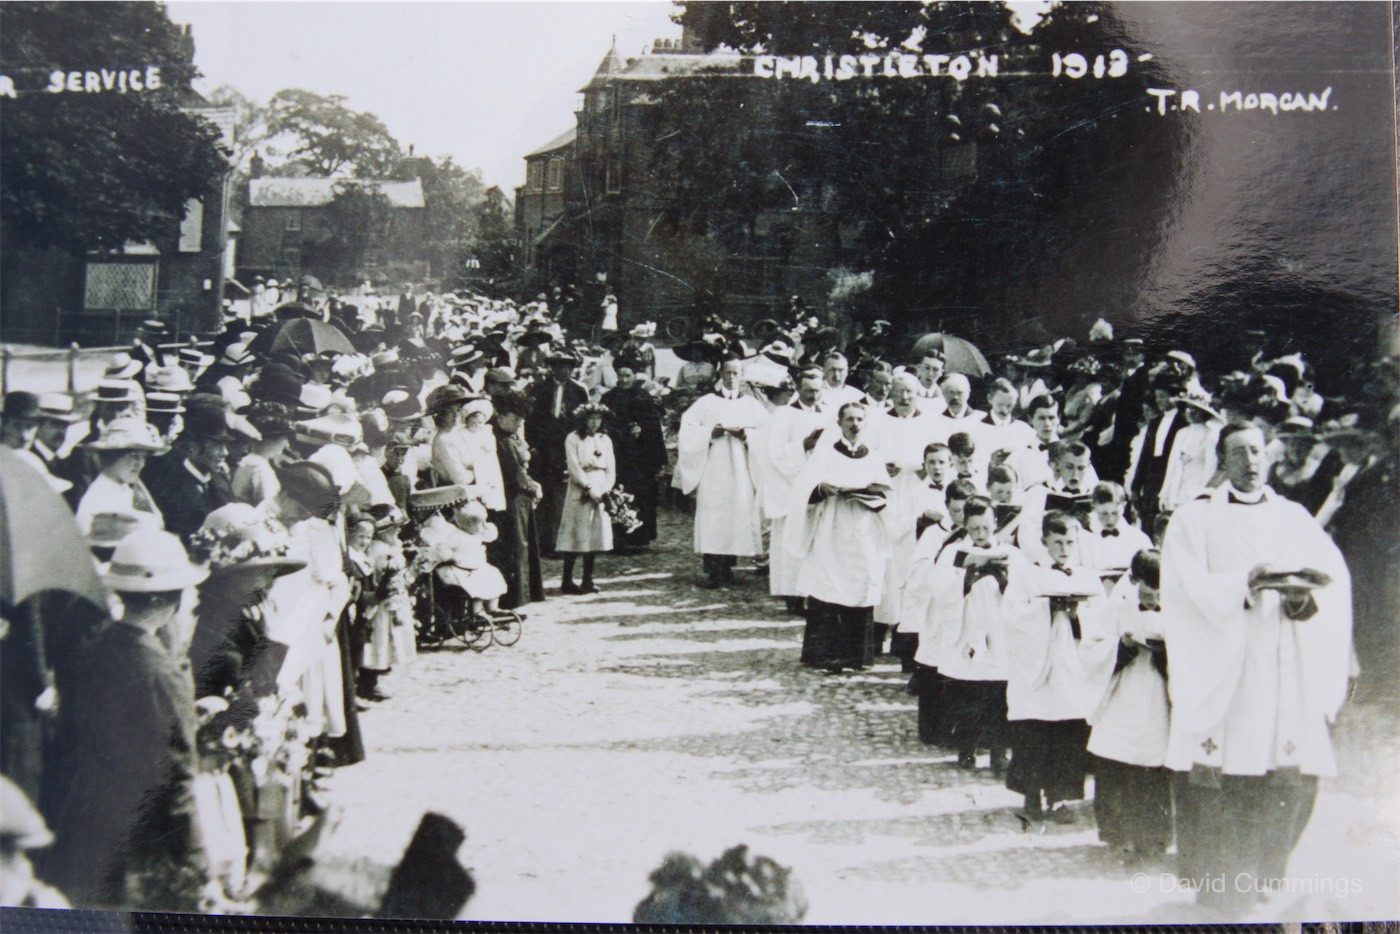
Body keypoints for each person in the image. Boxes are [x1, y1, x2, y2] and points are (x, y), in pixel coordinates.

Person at [1160, 423, 1352, 913]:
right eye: (1239, 452)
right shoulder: (1194, 518)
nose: (1251, 460)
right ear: (1222, 460)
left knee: (1284, 770)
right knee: (1217, 774)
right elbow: (1182, 589)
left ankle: (1266, 872)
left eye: (1257, 451)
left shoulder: (1293, 517)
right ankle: (1216, 880)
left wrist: (1300, 599)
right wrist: (1244, 584)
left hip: (1282, 662)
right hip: (1224, 665)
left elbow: (1333, 586)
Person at [41, 529, 208, 909]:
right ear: (169, 601)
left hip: (81, 814)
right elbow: (179, 772)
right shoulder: (162, 673)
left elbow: (67, 732)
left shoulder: (90, 650)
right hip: (137, 832)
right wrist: (195, 855)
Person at [1002, 511, 1115, 826]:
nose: (1065, 548)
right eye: (1058, 542)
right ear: (1044, 542)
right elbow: (1010, 615)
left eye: (1070, 542)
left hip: (1071, 666)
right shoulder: (1027, 574)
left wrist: (1078, 614)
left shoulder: (1086, 577)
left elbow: (1102, 619)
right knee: (1034, 733)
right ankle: (1030, 797)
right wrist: (1046, 607)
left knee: (1066, 734)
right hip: (1037, 666)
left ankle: (1059, 797)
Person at [785, 402, 892, 673]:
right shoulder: (824, 456)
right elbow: (802, 491)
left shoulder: (874, 458)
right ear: (840, 424)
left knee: (860, 586)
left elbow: (887, 495)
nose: (855, 425)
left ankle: (856, 657)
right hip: (832, 528)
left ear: (865, 424)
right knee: (828, 585)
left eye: (859, 420)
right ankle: (824, 654)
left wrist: (874, 496)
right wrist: (821, 488)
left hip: (863, 529)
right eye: (849, 420)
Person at [1085, 548, 1172, 864]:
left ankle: (1153, 837)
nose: (1152, 600)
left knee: (1153, 769)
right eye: (1147, 593)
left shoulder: (1176, 612)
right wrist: (1120, 650)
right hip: (1123, 695)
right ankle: (1117, 834)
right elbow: (1091, 650)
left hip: (1159, 696)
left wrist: (1167, 658)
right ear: (1133, 581)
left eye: (1158, 593)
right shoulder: (1116, 611)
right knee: (1116, 764)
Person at [929, 496, 1016, 772]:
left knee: (998, 695)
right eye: (975, 528)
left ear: (995, 524)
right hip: (968, 627)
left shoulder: (1012, 553)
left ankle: (998, 751)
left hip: (999, 630)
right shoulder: (953, 552)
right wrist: (966, 575)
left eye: (986, 528)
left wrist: (1005, 578)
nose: (981, 534)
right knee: (968, 695)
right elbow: (939, 589)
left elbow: (1025, 591)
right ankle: (966, 749)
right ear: (965, 525)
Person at [674, 356, 769, 588]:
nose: (731, 377)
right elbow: (687, 430)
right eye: (727, 372)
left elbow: (767, 434)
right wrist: (709, 433)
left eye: (736, 373)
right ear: (720, 375)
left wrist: (746, 435)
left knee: (736, 515)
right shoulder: (706, 403)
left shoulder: (752, 405)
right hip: (713, 470)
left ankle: (727, 567)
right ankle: (714, 569)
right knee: (713, 516)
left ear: (742, 376)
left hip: (740, 470)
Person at [760, 368, 832, 614]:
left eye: (817, 390)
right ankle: (793, 597)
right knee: (791, 544)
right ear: (798, 390)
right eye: (808, 390)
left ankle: (814, 594)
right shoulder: (784, 414)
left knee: (817, 542)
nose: (813, 395)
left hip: (819, 486)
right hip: (791, 487)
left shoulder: (830, 414)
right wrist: (804, 445)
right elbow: (775, 452)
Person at [142, 405, 237, 541]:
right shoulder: (169, 487)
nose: (225, 453)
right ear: (194, 449)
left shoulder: (220, 479)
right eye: (217, 446)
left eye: (226, 445)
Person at [599, 361, 667, 549]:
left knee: (641, 494)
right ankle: (619, 538)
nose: (625, 379)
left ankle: (639, 537)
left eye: (628, 375)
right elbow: (603, 424)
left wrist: (642, 429)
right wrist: (620, 432)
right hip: (618, 453)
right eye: (621, 375)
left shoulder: (642, 396)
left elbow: (654, 425)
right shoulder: (608, 398)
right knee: (618, 493)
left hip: (640, 456)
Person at [527, 351, 590, 552]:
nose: (564, 370)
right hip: (544, 448)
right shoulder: (539, 389)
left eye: (568, 366)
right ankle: (544, 540)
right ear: (552, 368)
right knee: (544, 491)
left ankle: (563, 540)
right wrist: (532, 444)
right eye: (559, 366)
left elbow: (584, 421)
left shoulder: (579, 391)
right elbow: (531, 419)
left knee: (564, 492)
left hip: (566, 447)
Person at [490, 391, 545, 608]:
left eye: (520, 420)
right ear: (501, 417)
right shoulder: (502, 441)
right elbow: (515, 473)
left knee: (523, 544)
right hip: (512, 497)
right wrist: (534, 488)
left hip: (519, 499)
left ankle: (523, 593)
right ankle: (515, 596)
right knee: (517, 545)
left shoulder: (511, 437)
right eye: (514, 419)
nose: (518, 423)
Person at [556, 402, 615, 594]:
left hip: (600, 482)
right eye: (591, 418)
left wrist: (606, 488)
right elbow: (573, 466)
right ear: (583, 419)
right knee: (576, 531)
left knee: (594, 533)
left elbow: (611, 466)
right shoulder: (573, 438)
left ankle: (588, 579)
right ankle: (567, 580)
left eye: (598, 418)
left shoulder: (605, 439)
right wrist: (588, 487)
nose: (594, 422)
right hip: (581, 485)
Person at [74, 417, 167, 536]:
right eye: (134, 455)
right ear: (112, 455)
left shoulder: (124, 489)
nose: (141, 463)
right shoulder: (99, 499)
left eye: (143, 456)